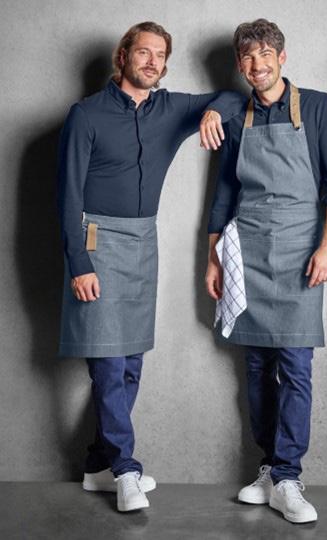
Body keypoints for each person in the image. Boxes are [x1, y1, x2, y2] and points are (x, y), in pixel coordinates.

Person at [57, 21, 245, 512]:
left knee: (131, 363)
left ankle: (97, 465)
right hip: (96, 242)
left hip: (143, 242)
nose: (152, 61)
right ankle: (125, 469)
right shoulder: (86, 114)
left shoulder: (171, 108)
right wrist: (79, 263)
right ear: (123, 56)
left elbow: (231, 97)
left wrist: (210, 114)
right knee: (107, 363)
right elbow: (67, 196)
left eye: (160, 55)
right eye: (143, 52)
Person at [205, 19, 327, 524]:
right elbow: (225, 191)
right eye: (248, 57)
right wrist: (212, 257)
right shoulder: (235, 116)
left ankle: (289, 475)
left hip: (299, 250)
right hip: (246, 249)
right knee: (255, 367)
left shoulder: (317, 107)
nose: (257, 64)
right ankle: (268, 467)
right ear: (239, 64)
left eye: (266, 54)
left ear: (282, 58)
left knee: (295, 366)